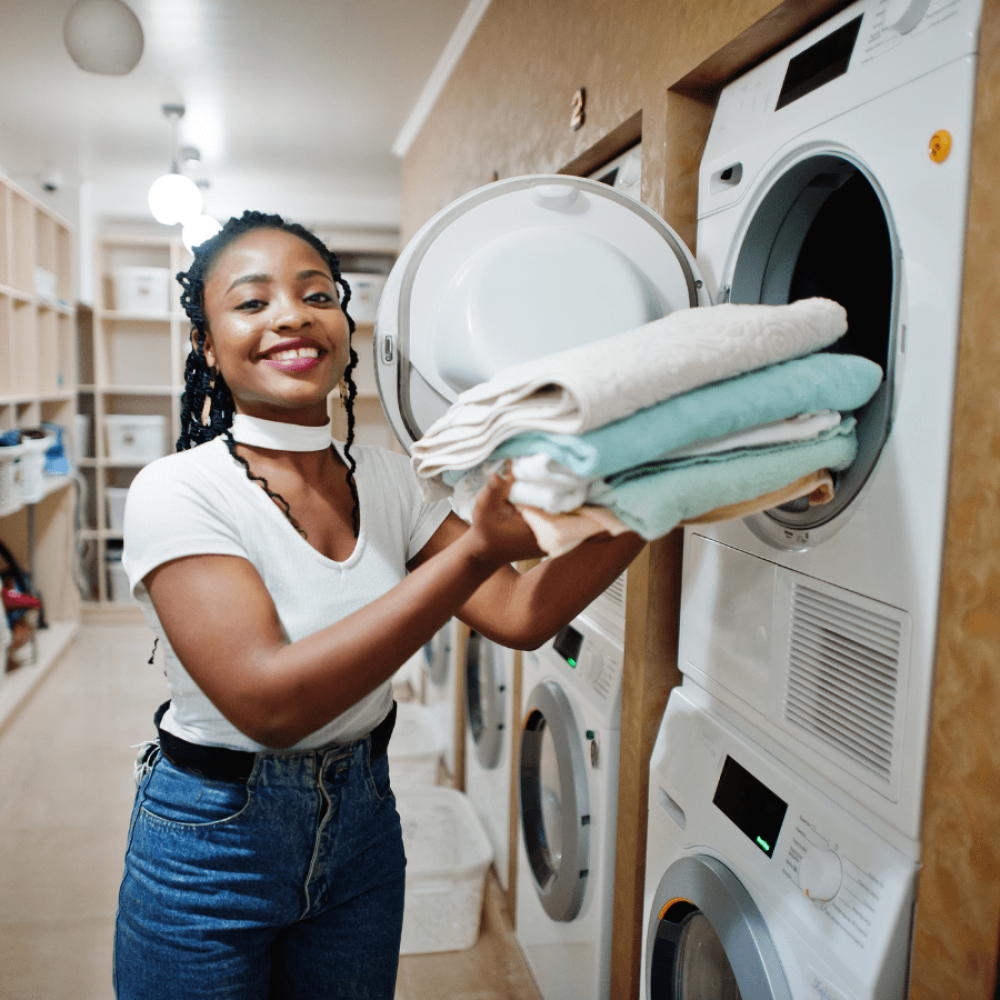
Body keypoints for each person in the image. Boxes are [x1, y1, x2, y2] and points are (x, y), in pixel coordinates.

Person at [113, 209, 645, 1000]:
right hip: (213, 844)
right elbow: (270, 704)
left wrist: (658, 491)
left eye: (316, 294)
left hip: (362, 824)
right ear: (207, 346)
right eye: (252, 303)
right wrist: (473, 551)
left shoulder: (393, 479)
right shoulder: (179, 490)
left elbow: (523, 613)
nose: (291, 315)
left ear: (343, 324)